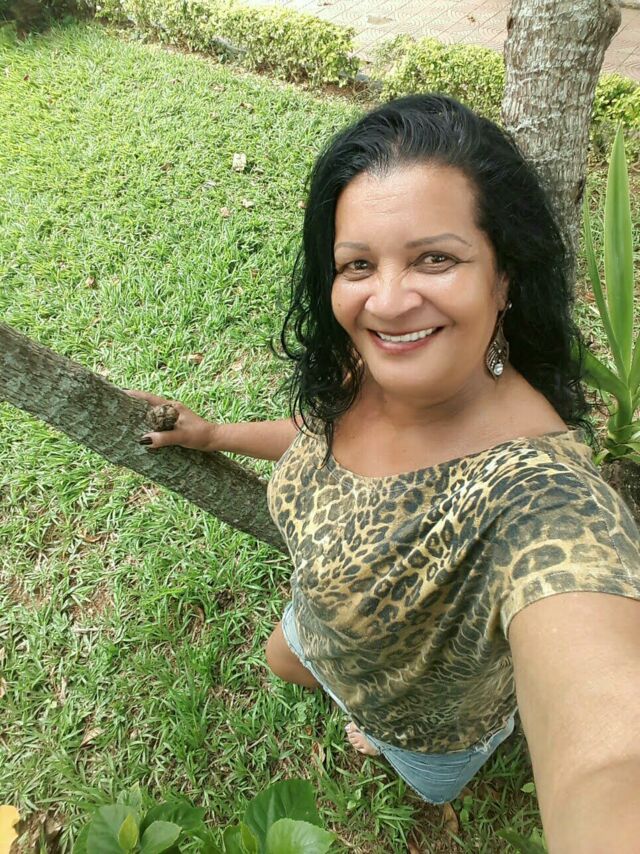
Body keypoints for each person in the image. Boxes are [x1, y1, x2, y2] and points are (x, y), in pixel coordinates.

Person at [128, 95, 640, 852]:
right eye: (358, 265)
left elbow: (610, 753)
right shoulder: (371, 362)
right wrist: (216, 435)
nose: (390, 301)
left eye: (436, 258)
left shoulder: (538, 494)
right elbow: (319, 436)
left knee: (420, 774)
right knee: (282, 659)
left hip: (427, 730)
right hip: (319, 629)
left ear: (503, 277)